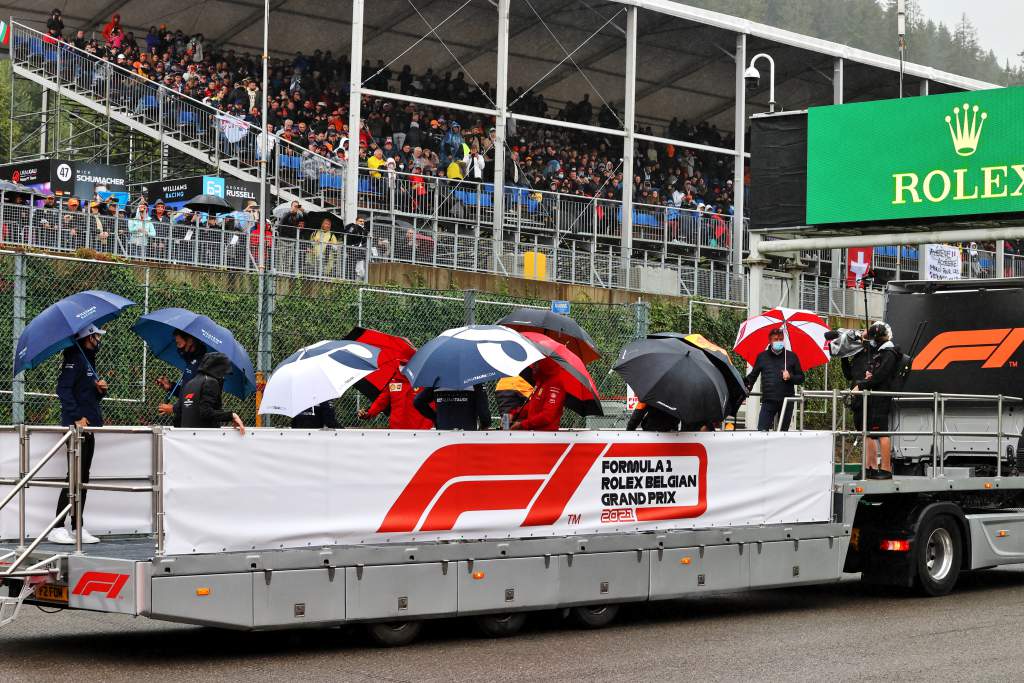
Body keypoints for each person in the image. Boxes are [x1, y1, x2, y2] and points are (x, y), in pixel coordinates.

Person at [49, 325, 109, 545]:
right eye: (96, 336)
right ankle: (57, 527)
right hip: (78, 427)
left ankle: (77, 526)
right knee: (74, 476)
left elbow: (86, 395)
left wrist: (100, 390)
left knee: (82, 477)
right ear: (87, 337)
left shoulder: (87, 359)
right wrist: (76, 417)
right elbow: (63, 389)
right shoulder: (74, 358)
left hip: (89, 425)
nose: (98, 339)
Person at [853, 322, 900, 480]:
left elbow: (881, 376)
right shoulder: (883, 352)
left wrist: (862, 384)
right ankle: (872, 467)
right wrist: (869, 376)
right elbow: (877, 374)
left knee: (882, 432)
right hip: (876, 395)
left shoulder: (889, 352)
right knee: (872, 433)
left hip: (881, 396)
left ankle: (886, 468)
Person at [745, 328, 804, 431]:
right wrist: (745, 387)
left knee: (783, 433)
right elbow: (752, 376)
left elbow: (801, 378)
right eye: (775, 339)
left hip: (787, 401)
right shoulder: (762, 357)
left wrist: (790, 377)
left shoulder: (791, 356)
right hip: (768, 400)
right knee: (762, 431)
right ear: (770, 340)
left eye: (781, 339)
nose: (778, 342)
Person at [173, 352, 245, 433]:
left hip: (186, 437)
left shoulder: (189, 383)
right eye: (223, 372)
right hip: (204, 438)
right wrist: (231, 415)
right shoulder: (210, 382)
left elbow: (178, 410)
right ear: (218, 369)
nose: (223, 376)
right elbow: (206, 413)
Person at [155, 329, 208, 418]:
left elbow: (202, 399)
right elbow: (188, 393)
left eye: (179, 343)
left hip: (197, 425)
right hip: (186, 420)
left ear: (190, 341)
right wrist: (171, 386)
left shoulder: (203, 365)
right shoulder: (191, 362)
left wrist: (174, 409)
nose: (178, 347)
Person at [359, 368, 433, 429]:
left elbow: (433, 405)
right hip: (397, 430)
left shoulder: (425, 381)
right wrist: (368, 413)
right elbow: (381, 402)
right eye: (401, 363)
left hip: (421, 431)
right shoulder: (393, 381)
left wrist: (428, 425)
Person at [510, 361, 566, 432]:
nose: (533, 366)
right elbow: (531, 406)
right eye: (533, 363)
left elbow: (547, 416)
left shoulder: (555, 384)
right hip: (535, 434)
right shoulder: (540, 382)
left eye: (536, 364)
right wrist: (513, 414)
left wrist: (522, 424)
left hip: (547, 436)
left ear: (544, 364)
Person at [413, 383, 491, 431]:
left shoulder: (437, 381)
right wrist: (485, 425)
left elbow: (418, 401)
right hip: (468, 434)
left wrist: (436, 418)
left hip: (443, 434)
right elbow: (483, 411)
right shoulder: (475, 380)